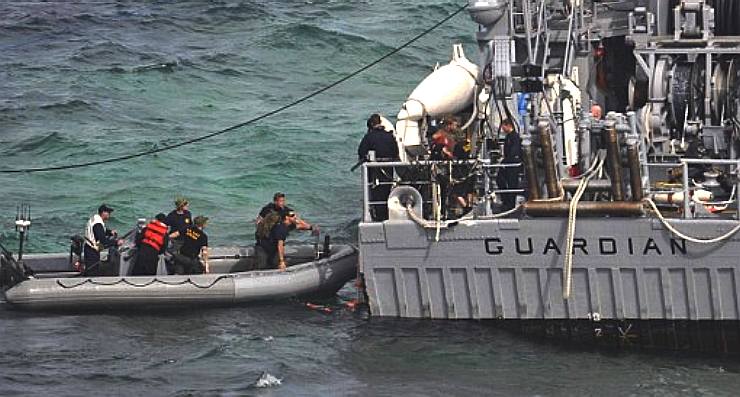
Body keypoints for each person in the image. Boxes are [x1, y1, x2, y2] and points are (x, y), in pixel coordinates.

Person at [357, 113, 400, 220]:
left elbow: (361, 152)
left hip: (374, 170)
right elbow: (395, 152)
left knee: (376, 192)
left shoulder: (369, 137)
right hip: (388, 169)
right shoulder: (389, 136)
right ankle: (386, 214)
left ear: (371, 125)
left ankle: (378, 215)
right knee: (386, 191)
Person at [83, 204, 123, 275]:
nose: (109, 214)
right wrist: (116, 242)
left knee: (90, 269)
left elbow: (99, 231)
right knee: (92, 272)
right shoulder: (98, 223)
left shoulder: (95, 218)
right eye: (108, 212)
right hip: (92, 251)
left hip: (88, 247)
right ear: (103, 212)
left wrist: (110, 232)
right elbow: (103, 241)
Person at [496, 119, 523, 210]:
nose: (502, 129)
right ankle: (506, 201)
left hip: (513, 164)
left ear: (508, 126)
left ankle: (510, 204)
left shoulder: (514, 137)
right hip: (508, 163)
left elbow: (514, 152)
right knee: (500, 179)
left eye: (503, 126)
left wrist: (505, 161)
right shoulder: (508, 137)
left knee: (512, 183)